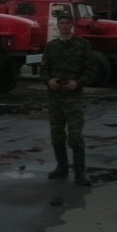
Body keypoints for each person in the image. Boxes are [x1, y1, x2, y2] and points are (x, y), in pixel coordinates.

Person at [39, 11, 94, 186]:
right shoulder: (51, 46)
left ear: (72, 25)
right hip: (55, 97)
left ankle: (80, 172)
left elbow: (91, 70)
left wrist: (77, 83)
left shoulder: (83, 45)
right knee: (57, 135)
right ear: (58, 25)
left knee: (76, 136)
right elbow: (43, 69)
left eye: (67, 23)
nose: (64, 26)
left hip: (73, 98)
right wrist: (48, 81)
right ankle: (61, 167)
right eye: (61, 23)